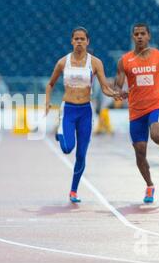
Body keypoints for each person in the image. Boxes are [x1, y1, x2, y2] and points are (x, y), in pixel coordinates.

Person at [46, 27, 119, 203]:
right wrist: (47, 101)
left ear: (88, 41)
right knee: (67, 148)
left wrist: (115, 94)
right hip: (69, 110)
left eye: (82, 39)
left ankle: (73, 191)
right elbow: (50, 84)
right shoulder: (63, 62)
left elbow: (104, 88)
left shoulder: (95, 63)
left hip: (86, 111)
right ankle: (60, 134)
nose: (79, 41)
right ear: (71, 41)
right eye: (76, 38)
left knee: (81, 154)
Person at [115, 23, 159, 204]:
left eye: (143, 33)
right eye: (136, 34)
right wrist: (118, 92)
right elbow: (118, 84)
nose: (140, 37)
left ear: (149, 36)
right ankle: (149, 185)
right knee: (140, 152)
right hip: (136, 111)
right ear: (132, 37)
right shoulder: (125, 60)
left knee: (157, 134)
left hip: (156, 104)